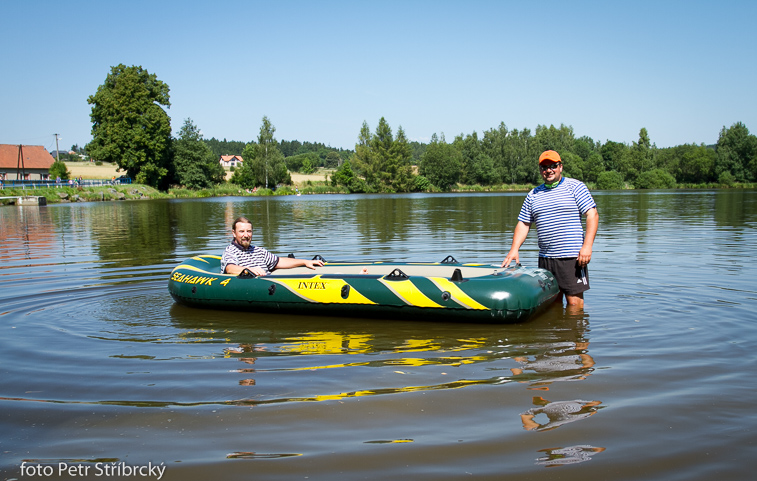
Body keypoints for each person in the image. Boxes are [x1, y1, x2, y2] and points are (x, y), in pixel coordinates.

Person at [502, 150, 598, 308]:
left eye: (553, 166)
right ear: (540, 170)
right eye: (544, 167)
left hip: (572, 258)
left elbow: (592, 214)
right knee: (552, 303)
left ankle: (575, 332)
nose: (548, 170)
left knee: (574, 303)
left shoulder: (575, 187)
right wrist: (514, 249)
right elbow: (524, 223)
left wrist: (587, 246)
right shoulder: (533, 194)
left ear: (560, 167)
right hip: (546, 259)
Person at [221, 216, 324, 276]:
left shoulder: (258, 251)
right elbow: (230, 268)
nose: (246, 235)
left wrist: (305, 261)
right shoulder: (230, 251)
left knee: (305, 274)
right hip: (255, 286)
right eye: (242, 231)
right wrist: (249, 270)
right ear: (234, 233)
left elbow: (279, 261)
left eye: (249, 231)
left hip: (270, 281)